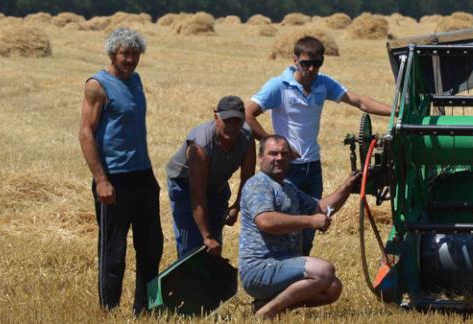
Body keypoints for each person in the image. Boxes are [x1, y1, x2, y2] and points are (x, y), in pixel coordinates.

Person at [245, 36, 391, 255]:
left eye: (317, 64)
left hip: (312, 167)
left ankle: (303, 270)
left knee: (313, 223)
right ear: (295, 60)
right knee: (287, 227)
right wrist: (274, 144)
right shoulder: (279, 85)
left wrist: (396, 111)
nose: (311, 69)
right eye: (305, 64)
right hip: (285, 169)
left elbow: (360, 101)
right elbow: (247, 114)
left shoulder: (324, 84)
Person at [78, 28, 163, 315]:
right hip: (114, 177)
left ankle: (148, 307)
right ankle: (109, 311)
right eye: (125, 53)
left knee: (152, 246)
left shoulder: (136, 80)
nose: (130, 59)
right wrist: (101, 180)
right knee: (113, 251)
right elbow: (86, 134)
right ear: (112, 53)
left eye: (135, 54)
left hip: (143, 173)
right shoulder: (97, 85)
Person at [239, 135, 360, 319]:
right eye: (273, 153)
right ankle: (267, 313)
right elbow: (266, 221)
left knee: (333, 288)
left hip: (284, 267)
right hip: (260, 269)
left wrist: (347, 186)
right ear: (260, 157)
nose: (279, 158)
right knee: (324, 271)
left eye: (284, 154)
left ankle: (269, 305)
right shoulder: (258, 185)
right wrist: (310, 221)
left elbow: (320, 207)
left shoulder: (288, 187)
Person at [166, 95, 255, 258]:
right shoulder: (201, 145)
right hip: (185, 186)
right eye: (227, 121)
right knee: (192, 248)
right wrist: (206, 237)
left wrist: (237, 206)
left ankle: (209, 281)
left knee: (214, 246)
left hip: (216, 186)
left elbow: (248, 177)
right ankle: (186, 278)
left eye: (237, 121)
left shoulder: (247, 137)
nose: (232, 127)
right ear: (216, 117)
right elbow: (197, 195)